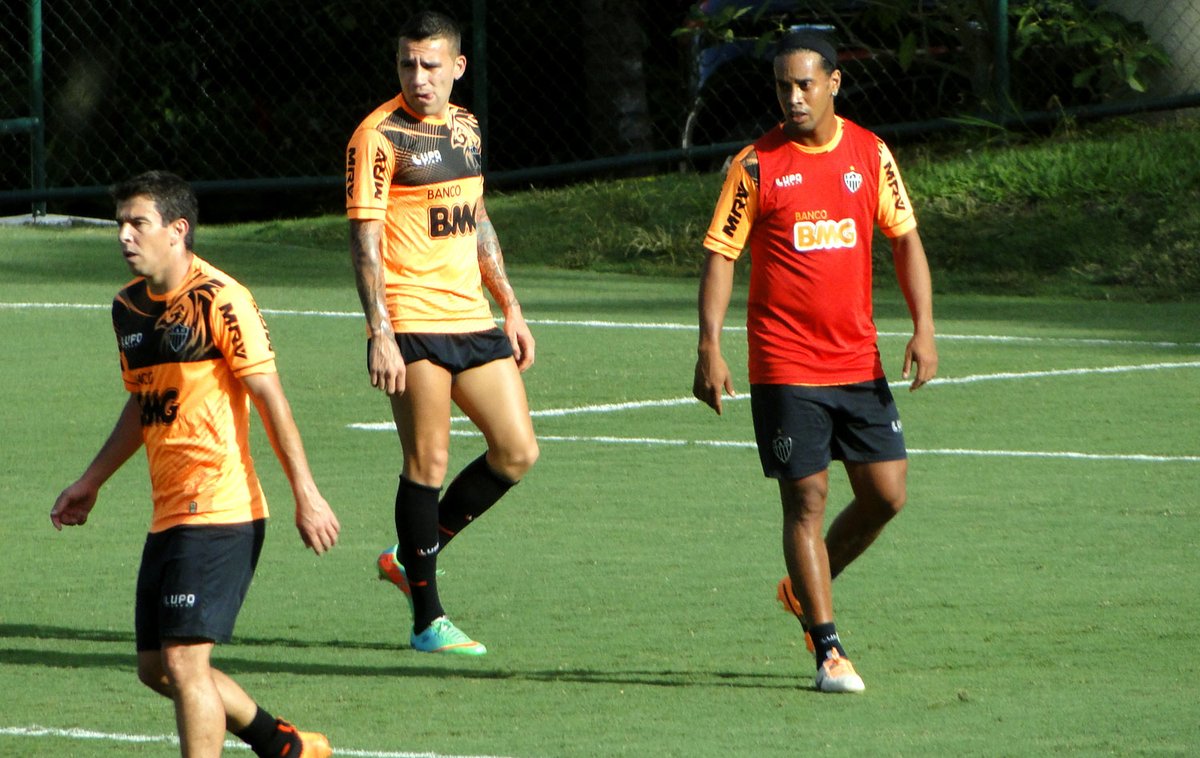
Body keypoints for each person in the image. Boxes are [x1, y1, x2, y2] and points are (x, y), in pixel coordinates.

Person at [50, 171, 340, 756]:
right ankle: (282, 744)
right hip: (168, 514)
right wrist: (91, 480)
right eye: (120, 224)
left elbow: (269, 398)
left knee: (185, 662)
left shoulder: (221, 299)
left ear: (178, 230)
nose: (124, 236)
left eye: (138, 223)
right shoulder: (128, 308)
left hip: (221, 508)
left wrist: (305, 494)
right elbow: (143, 401)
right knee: (157, 668)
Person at [692, 30, 938, 693]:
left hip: (858, 361)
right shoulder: (756, 165)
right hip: (785, 365)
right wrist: (709, 345)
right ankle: (828, 650)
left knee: (886, 495)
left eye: (805, 84)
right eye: (782, 86)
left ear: (834, 83)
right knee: (805, 501)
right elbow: (721, 256)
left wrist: (923, 327)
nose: (794, 97)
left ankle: (804, 583)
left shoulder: (870, 153)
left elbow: (905, 241)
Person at [345, 10, 538, 657]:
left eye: (431, 65)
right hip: (412, 321)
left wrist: (508, 304)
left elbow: (477, 217)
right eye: (407, 64)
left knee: (516, 452)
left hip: (472, 318)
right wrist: (379, 331)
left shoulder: (467, 127)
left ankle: (410, 557)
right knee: (427, 462)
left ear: (457, 67)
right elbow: (364, 238)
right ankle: (427, 619)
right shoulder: (378, 137)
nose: (418, 77)